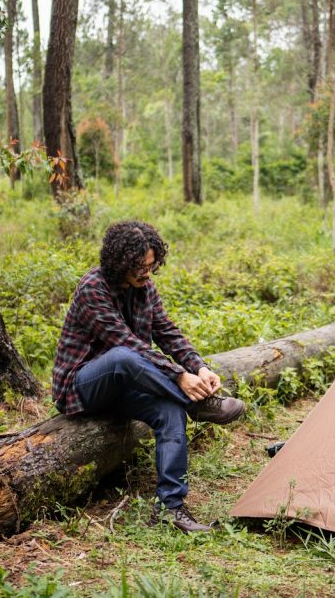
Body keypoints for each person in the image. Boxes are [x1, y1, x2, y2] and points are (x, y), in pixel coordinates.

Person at [52, 220, 245, 533]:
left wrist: (199, 367)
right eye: (140, 267)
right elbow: (126, 344)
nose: (147, 273)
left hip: (126, 387)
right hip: (82, 388)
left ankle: (171, 508)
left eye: (151, 266)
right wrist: (180, 377)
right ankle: (197, 404)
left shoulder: (145, 289)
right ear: (120, 262)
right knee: (122, 356)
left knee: (170, 410)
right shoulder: (93, 288)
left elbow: (167, 332)